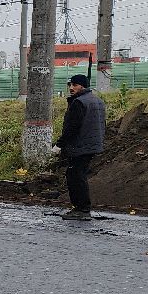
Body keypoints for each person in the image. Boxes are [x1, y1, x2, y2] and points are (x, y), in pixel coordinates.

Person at [53, 73, 106, 220]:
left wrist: (59, 144)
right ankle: (82, 208)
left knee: (75, 176)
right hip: (92, 144)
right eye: (70, 85)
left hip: (79, 146)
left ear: (82, 86)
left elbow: (72, 127)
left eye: (74, 85)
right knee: (79, 175)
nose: (71, 88)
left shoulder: (79, 103)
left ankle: (81, 209)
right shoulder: (97, 101)